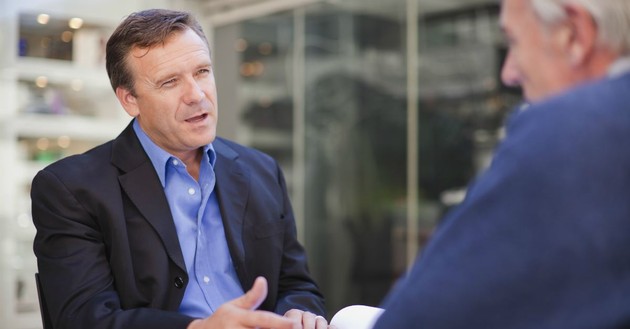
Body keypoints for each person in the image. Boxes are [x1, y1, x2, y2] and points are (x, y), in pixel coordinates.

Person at [31, 9, 330, 329]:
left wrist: (296, 313)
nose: (197, 95)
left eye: (202, 71)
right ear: (130, 100)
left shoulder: (262, 170)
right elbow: (83, 319)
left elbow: (298, 286)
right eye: (170, 82)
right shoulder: (69, 188)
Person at [371, 0, 630, 328]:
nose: (508, 73)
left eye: (514, 41)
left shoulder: (569, 128)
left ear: (574, 33)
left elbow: (417, 316)